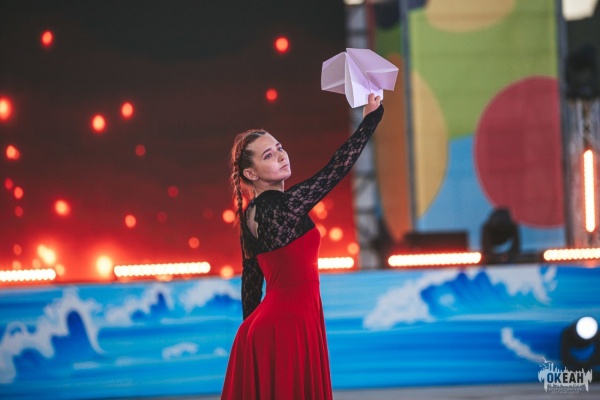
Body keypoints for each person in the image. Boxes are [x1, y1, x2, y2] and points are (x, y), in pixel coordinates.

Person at [221, 93, 384, 400]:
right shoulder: (278, 208)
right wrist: (370, 118)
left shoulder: (253, 215)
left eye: (279, 148)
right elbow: (336, 169)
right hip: (288, 325)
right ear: (250, 174)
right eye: (268, 155)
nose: (281, 155)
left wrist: (254, 343)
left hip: (279, 325)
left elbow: (251, 283)